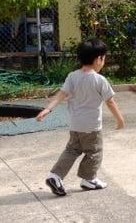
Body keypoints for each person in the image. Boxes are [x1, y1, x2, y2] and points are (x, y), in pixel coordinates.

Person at [36, 39, 125, 196]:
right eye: (104, 58)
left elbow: (61, 94)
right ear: (98, 59)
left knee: (72, 150)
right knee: (94, 152)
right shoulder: (99, 80)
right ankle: (88, 179)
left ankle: (55, 176)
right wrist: (120, 120)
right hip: (92, 127)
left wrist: (48, 109)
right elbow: (110, 101)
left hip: (75, 125)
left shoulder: (72, 76)